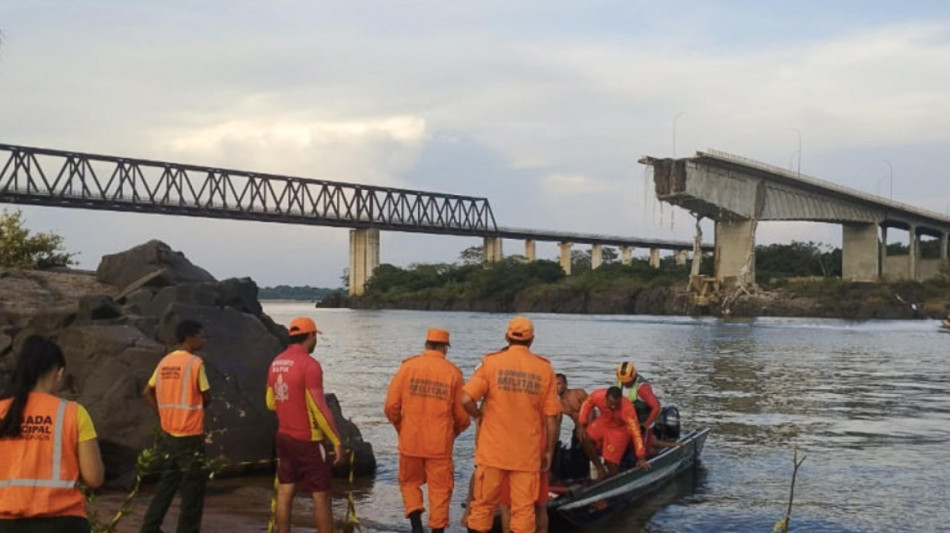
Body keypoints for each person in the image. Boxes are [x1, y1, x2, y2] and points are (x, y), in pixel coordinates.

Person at [461, 316, 560, 533]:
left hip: (493, 451)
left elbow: (466, 399)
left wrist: (479, 416)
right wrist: (549, 451)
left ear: (507, 337)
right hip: (526, 455)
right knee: (523, 510)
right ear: (531, 340)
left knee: (483, 506)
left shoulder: (491, 363)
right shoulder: (544, 369)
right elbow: (552, 417)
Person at [0, 336, 105, 532]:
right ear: (59, 373)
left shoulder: (2, 411)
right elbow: (94, 478)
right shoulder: (73, 413)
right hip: (63, 523)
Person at [384, 328, 470, 533]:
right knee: (440, 490)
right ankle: (437, 530)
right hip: (439, 445)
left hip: (410, 441)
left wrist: (402, 428)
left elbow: (391, 407)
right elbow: (463, 417)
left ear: (426, 345)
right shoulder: (453, 373)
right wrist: (453, 433)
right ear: (445, 348)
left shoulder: (408, 368)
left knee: (409, 483)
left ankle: (416, 527)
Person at [266, 317, 343, 533]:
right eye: (315, 337)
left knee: (285, 490)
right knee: (321, 495)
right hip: (308, 439)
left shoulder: (276, 362)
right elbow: (319, 408)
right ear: (310, 336)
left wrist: (289, 405)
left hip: (283, 436)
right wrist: (336, 440)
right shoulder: (310, 365)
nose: (315, 341)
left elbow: (270, 402)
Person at [141, 320, 212, 533]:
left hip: (168, 432)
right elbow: (206, 396)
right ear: (189, 338)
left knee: (167, 483)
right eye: (201, 336)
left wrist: (162, 414)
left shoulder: (165, 362)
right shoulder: (195, 363)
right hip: (189, 433)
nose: (203, 340)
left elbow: (146, 392)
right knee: (193, 487)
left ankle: (150, 527)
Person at [578, 386, 650, 479]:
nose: (613, 407)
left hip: (619, 429)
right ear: (606, 398)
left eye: (616, 404)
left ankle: (612, 479)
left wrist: (641, 457)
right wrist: (581, 423)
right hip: (604, 422)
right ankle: (600, 469)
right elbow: (587, 404)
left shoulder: (627, 408)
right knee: (585, 438)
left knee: (610, 461)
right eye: (610, 403)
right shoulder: (597, 395)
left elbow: (635, 432)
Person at [615, 362, 661, 450]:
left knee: (643, 451)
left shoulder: (642, 388)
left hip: (643, 421)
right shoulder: (620, 382)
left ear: (634, 376)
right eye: (623, 382)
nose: (625, 384)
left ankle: (653, 450)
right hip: (628, 422)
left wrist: (646, 424)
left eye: (627, 382)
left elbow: (656, 407)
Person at [555, 374, 587, 440]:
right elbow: (557, 423)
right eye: (553, 385)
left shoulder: (578, 393)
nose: (556, 387)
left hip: (590, 422)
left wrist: (583, 427)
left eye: (558, 384)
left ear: (565, 384)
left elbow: (591, 409)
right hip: (576, 427)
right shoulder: (557, 403)